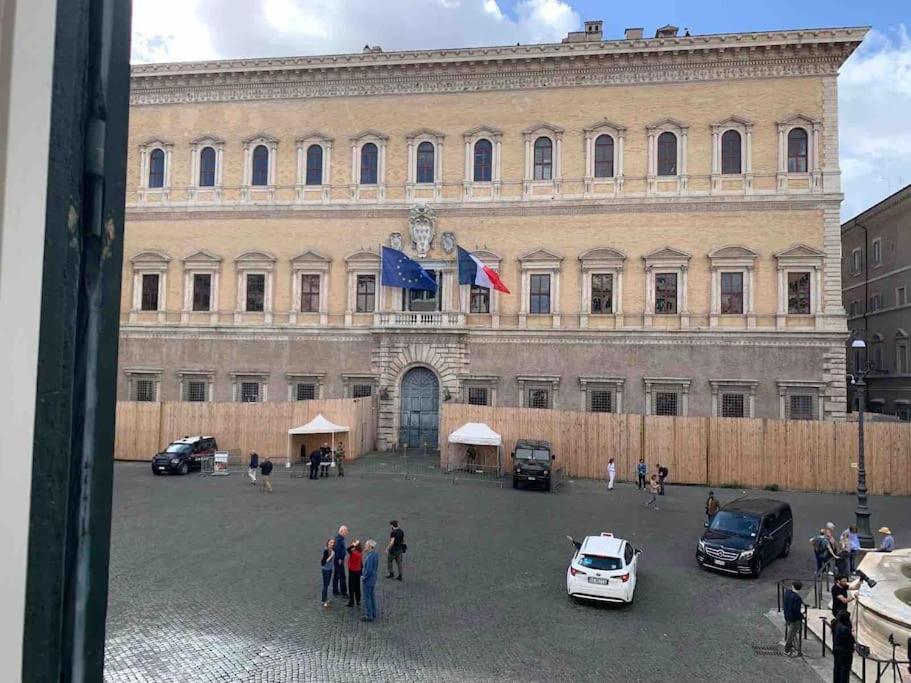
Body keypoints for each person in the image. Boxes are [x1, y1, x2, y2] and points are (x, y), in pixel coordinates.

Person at [830, 609, 855, 683]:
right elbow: (850, 641)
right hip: (845, 653)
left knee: (837, 669)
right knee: (844, 673)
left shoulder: (835, 624)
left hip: (836, 650)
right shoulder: (845, 630)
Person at [783, 580, 805, 656]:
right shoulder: (797, 598)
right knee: (791, 634)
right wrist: (802, 616)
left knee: (791, 633)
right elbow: (796, 610)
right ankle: (787, 649)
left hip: (787, 616)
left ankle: (793, 646)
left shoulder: (787, 593)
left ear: (793, 586)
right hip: (794, 619)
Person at [361, 539, 379, 622]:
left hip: (368, 580)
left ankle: (369, 615)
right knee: (371, 597)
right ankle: (373, 613)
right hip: (373, 579)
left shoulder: (370, 556)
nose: (365, 546)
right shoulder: (375, 555)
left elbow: (369, 570)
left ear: (370, 546)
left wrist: (364, 577)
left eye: (366, 545)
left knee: (367, 597)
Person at [332, 525, 348, 597]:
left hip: (338, 560)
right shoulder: (339, 540)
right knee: (342, 576)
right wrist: (340, 559)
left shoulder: (338, 538)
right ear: (341, 531)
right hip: (339, 560)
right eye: (346, 531)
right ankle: (343, 592)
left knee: (336, 575)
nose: (347, 533)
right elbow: (338, 550)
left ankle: (335, 590)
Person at [346, 540, 362, 608]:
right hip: (358, 571)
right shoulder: (360, 552)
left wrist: (353, 545)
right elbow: (361, 562)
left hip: (352, 571)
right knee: (357, 586)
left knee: (351, 587)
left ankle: (351, 601)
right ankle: (358, 600)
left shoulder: (353, 553)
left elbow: (348, 549)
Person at [320, 538, 335, 608]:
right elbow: (323, 562)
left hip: (330, 569)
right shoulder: (326, 551)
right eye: (331, 542)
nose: (332, 544)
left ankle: (325, 598)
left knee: (327, 584)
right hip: (325, 570)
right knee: (325, 585)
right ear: (328, 543)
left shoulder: (332, 550)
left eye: (333, 543)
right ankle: (323, 600)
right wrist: (331, 555)